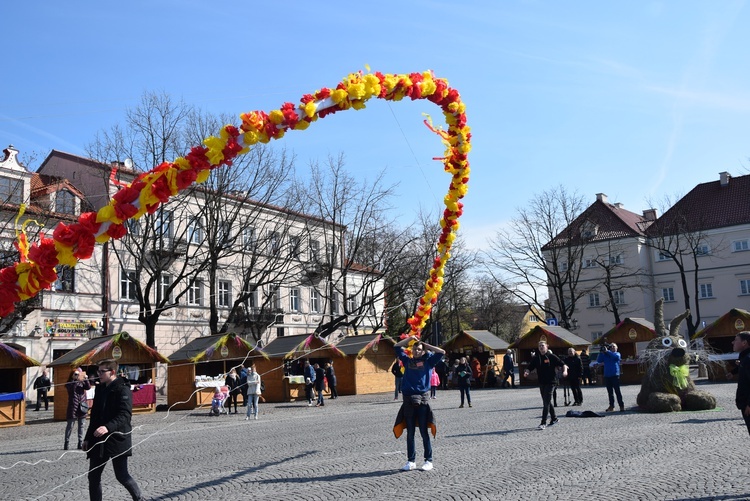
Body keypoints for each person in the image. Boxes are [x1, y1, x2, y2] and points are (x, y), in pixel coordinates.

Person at [83, 359, 143, 501]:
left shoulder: (123, 388)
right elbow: (95, 416)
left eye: (102, 371)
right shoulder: (100, 388)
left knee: (122, 475)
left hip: (117, 438)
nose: (99, 374)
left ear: (113, 372)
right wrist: (87, 438)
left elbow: (125, 415)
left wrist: (108, 427)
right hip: (98, 439)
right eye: (98, 371)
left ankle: (140, 499)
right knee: (93, 476)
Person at [394, 335, 445, 471]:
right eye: (415, 349)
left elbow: (441, 352)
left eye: (419, 349)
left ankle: (428, 460)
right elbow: (397, 346)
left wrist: (426, 345)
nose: (417, 351)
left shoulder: (429, 362)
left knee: (423, 431)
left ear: (423, 351)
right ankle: (411, 461)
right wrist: (410, 338)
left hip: (422, 399)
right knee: (410, 432)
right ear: (412, 350)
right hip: (408, 399)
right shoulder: (407, 361)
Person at [524, 340, 568, 430]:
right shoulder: (537, 358)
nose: (541, 347)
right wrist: (527, 372)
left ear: (547, 346)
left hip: (551, 382)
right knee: (546, 401)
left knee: (546, 403)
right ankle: (554, 418)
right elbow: (529, 367)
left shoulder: (551, 356)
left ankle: (543, 423)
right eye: (539, 346)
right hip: (542, 382)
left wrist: (565, 371)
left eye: (542, 345)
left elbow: (563, 364)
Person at [65, 368, 91, 450]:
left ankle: (80, 442)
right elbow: (71, 389)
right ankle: (66, 442)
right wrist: (75, 379)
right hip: (73, 406)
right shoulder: (69, 383)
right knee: (70, 426)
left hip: (82, 406)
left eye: (78, 374)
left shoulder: (82, 382)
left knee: (81, 426)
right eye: (76, 374)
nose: (78, 375)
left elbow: (88, 387)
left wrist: (86, 379)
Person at [597, 342, 625, 412]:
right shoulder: (606, 354)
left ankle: (621, 406)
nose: (612, 347)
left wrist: (607, 351)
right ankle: (611, 406)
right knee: (610, 392)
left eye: (614, 346)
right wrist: (601, 352)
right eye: (611, 346)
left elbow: (616, 358)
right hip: (607, 375)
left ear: (616, 348)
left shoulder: (617, 354)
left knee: (617, 391)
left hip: (615, 375)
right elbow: (599, 360)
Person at [732, 331, 750, 437]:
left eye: (736, 340)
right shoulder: (744, 358)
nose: (732, 342)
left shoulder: (748, 359)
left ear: (744, 343)